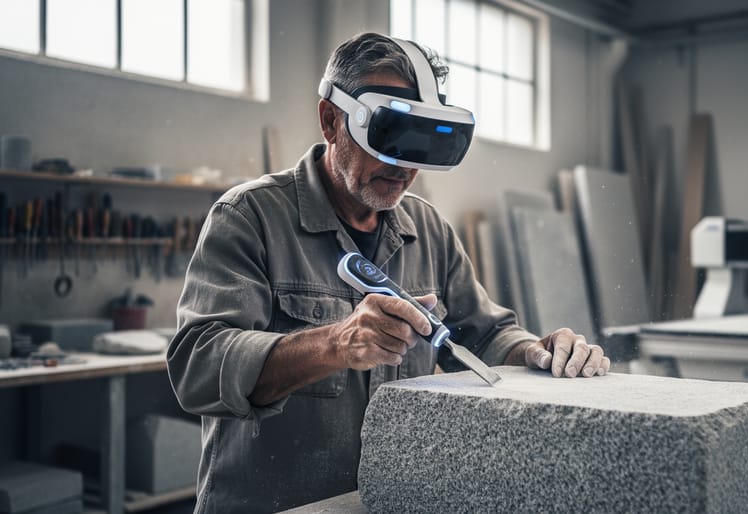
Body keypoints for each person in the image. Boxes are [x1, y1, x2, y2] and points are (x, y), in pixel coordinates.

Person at [167, 32, 610, 513]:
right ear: (331, 121)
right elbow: (198, 367)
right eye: (389, 138)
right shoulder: (250, 216)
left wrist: (537, 353)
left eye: (417, 145)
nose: (403, 167)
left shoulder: (429, 229)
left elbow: (482, 337)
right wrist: (336, 344)